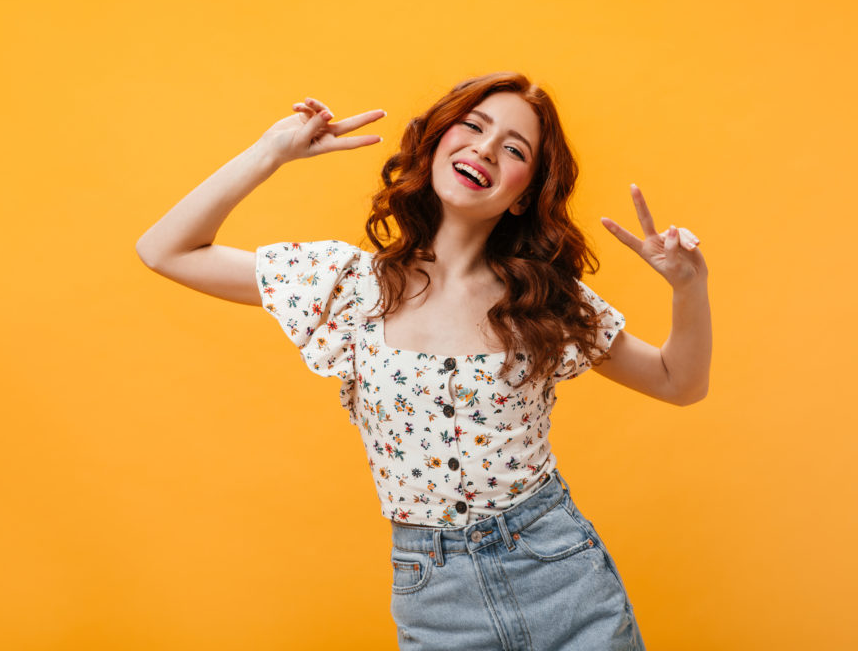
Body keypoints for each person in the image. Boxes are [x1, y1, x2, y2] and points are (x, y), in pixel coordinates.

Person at [136, 72, 711, 650]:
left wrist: (688, 288)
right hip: (435, 598)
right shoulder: (345, 285)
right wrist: (272, 153)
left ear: (523, 196)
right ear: (437, 142)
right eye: (473, 127)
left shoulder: (544, 298)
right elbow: (165, 249)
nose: (485, 149)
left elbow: (677, 382)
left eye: (514, 149)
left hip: (562, 574)